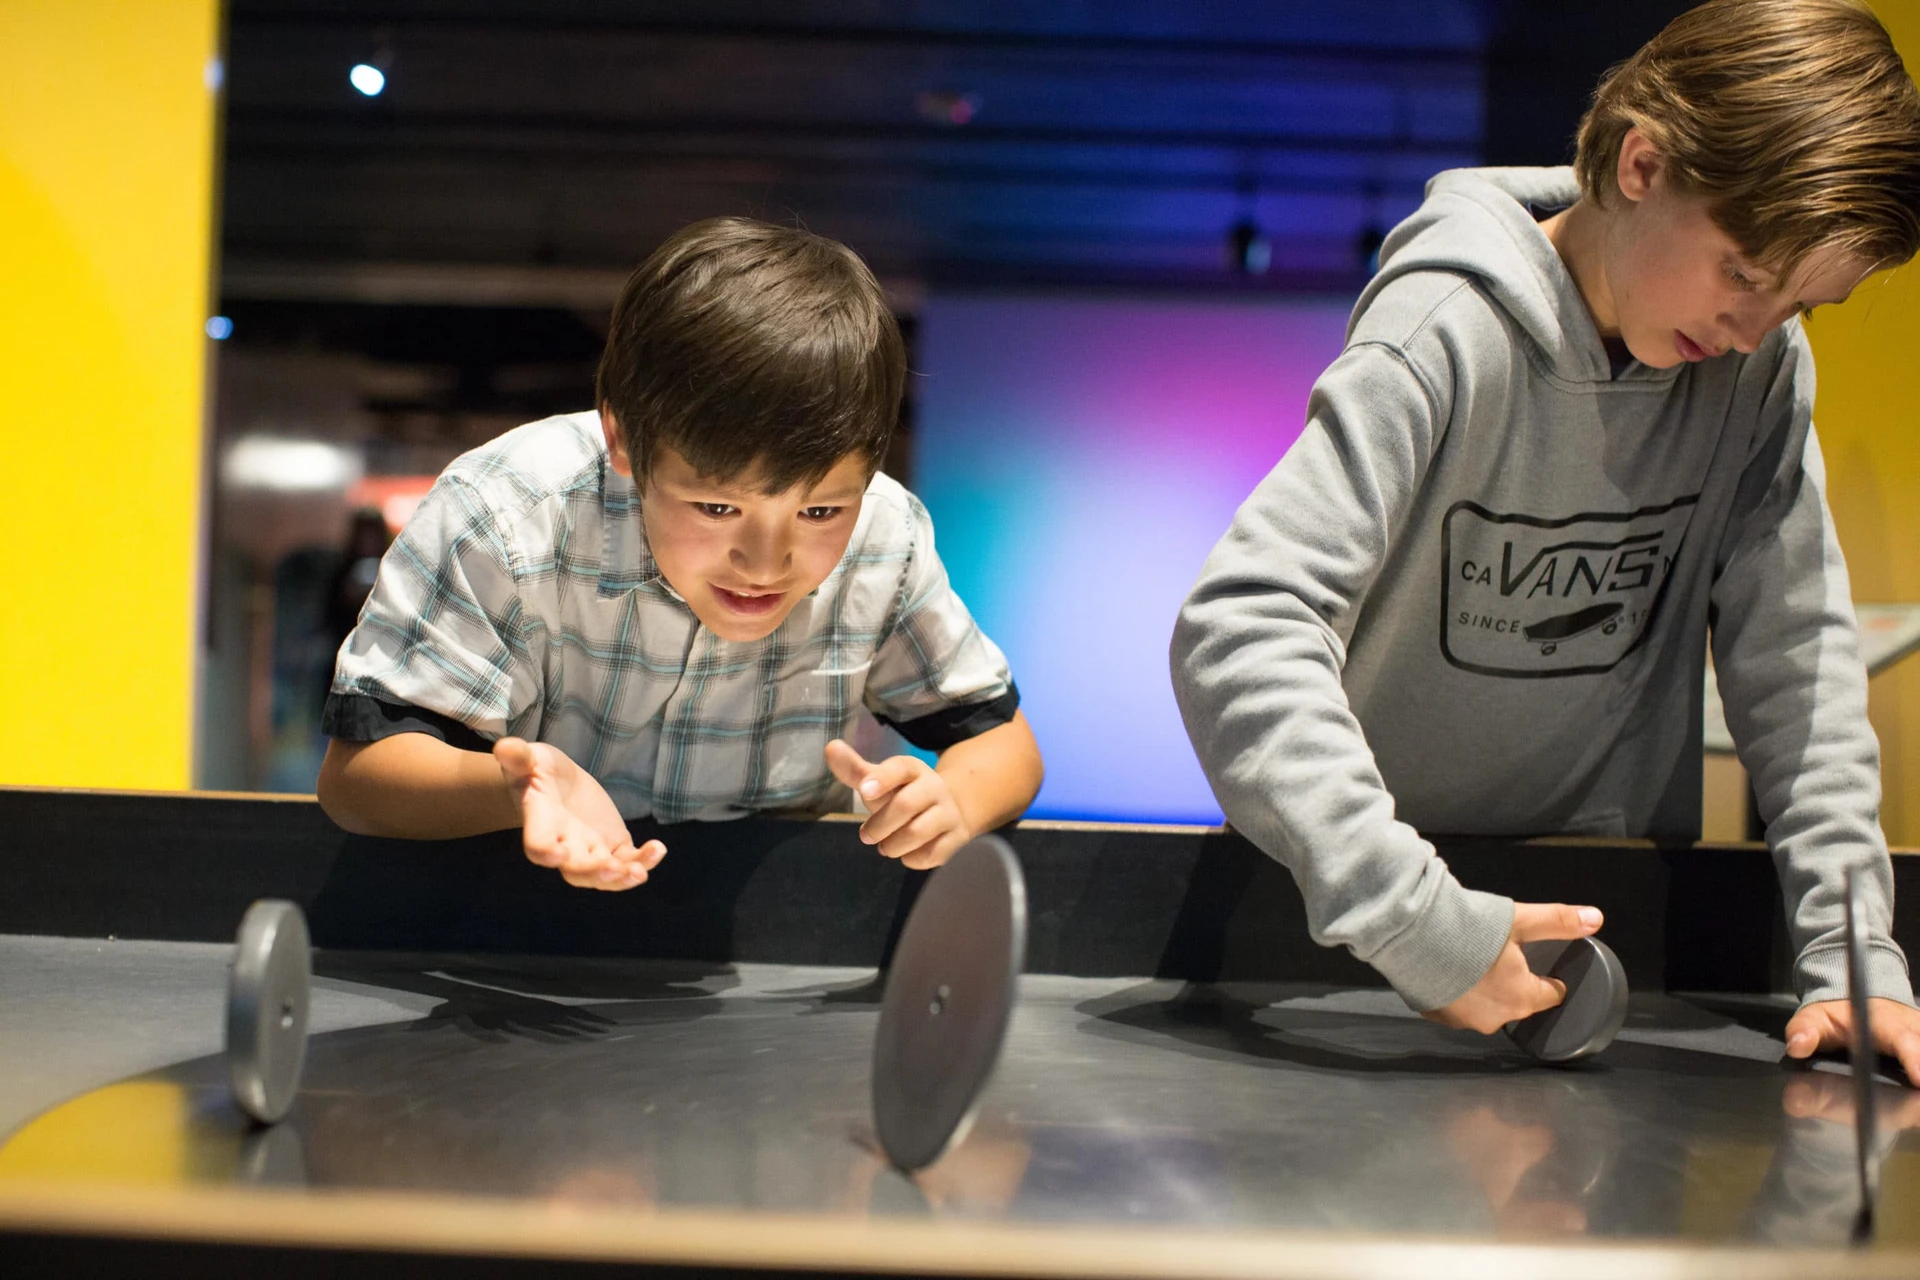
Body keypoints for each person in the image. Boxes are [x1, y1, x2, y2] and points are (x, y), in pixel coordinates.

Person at [1171, 0, 1920, 1080]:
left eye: (1806, 305)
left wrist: (1855, 952)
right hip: (1361, 936)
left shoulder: (1756, 372)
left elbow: (1795, 663)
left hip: (1601, 938)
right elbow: (1239, 628)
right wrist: (1413, 913)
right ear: (1642, 163)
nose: (1756, 329)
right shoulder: (1443, 330)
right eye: (1747, 274)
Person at [317, 217, 1043, 890]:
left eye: (820, 510)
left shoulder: (888, 532)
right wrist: (516, 786)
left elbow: (1005, 745)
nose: (765, 563)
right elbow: (357, 778)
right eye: (717, 507)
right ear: (625, 440)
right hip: (494, 923)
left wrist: (954, 798)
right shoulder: (504, 514)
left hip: (775, 940)